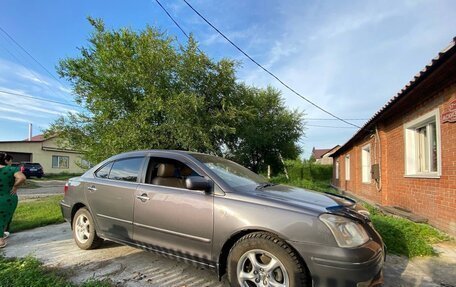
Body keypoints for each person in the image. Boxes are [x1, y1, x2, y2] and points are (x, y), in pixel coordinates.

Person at [0, 153, 26, 248]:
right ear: (6, 161)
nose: (11, 162)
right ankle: (0, 240)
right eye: (10, 160)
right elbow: (22, 178)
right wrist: (15, 186)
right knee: (3, 217)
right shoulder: (12, 169)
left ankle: (2, 233)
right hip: (8, 198)